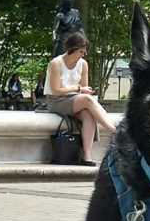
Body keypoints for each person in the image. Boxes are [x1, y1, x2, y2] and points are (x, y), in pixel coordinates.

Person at [44, 32, 115, 165]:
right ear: (72, 49)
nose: (84, 54)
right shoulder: (56, 63)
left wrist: (86, 91)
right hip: (56, 100)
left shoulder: (83, 64)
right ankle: (113, 130)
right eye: (81, 51)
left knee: (89, 114)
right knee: (87, 101)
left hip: (75, 100)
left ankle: (87, 156)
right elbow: (56, 90)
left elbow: (84, 89)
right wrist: (79, 89)